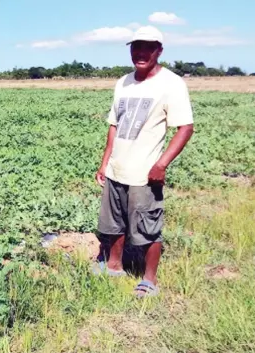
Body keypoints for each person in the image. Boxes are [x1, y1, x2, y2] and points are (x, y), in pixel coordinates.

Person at [94, 26, 194, 298]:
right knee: (113, 223)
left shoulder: (171, 84)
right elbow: (114, 125)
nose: (140, 53)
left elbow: (185, 127)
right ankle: (113, 265)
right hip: (117, 168)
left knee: (148, 227)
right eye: (135, 47)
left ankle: (149, 280)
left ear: (158, 51)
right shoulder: (123, 82)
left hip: (145, 172)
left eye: (148, 47)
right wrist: (105, 163)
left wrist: (161, 165)